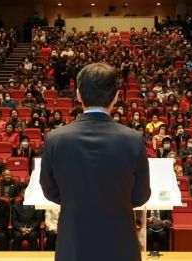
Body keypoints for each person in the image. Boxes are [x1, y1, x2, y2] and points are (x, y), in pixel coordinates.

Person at [40, 63, 151, 261]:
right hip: (120, 245)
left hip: (74, 243)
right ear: (116, 96)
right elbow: (140, 196)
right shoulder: (133, 139)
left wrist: (78, 202)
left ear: (78, 95)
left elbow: (50, 190)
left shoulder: (55, 138)